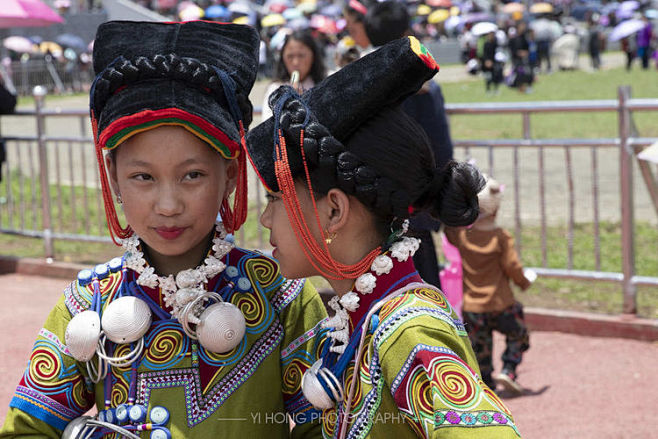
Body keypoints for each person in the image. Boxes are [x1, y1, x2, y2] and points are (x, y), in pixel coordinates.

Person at [0, 21, 327, 438]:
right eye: (143, 177)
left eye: (192, 175)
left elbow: (322, 428)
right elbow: (26, 430)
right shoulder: (88, 304)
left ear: (229, 175)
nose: (168, 205)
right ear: (114, 178)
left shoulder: (284, 300)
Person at [246, 37, 520, 438]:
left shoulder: (408, 330)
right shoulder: (354, 322)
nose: (266, 218)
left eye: (276, 198)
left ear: (335, 211)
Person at [364, 1, 454, 289]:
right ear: (406, 34)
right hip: (415, 208)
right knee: (424, 291)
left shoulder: (359, 82)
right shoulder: (423, 85)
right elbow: (440, 148)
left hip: (371, 209)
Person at [444, 176, 533, 395]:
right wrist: (523, 282)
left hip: (474, 307)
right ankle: (509, 370)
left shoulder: (463, 236)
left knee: (480, 350)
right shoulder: (501, 237)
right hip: (501, 302)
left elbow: (448, 229)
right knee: (518, 333)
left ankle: (486, 387)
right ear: (495, 210)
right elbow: (512, 265)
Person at [260, 29, 326, 122]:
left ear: (313, 56)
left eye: (301, 56)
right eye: (290, 56)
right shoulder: (275, 90)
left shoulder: (324, 85)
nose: (295, 62)